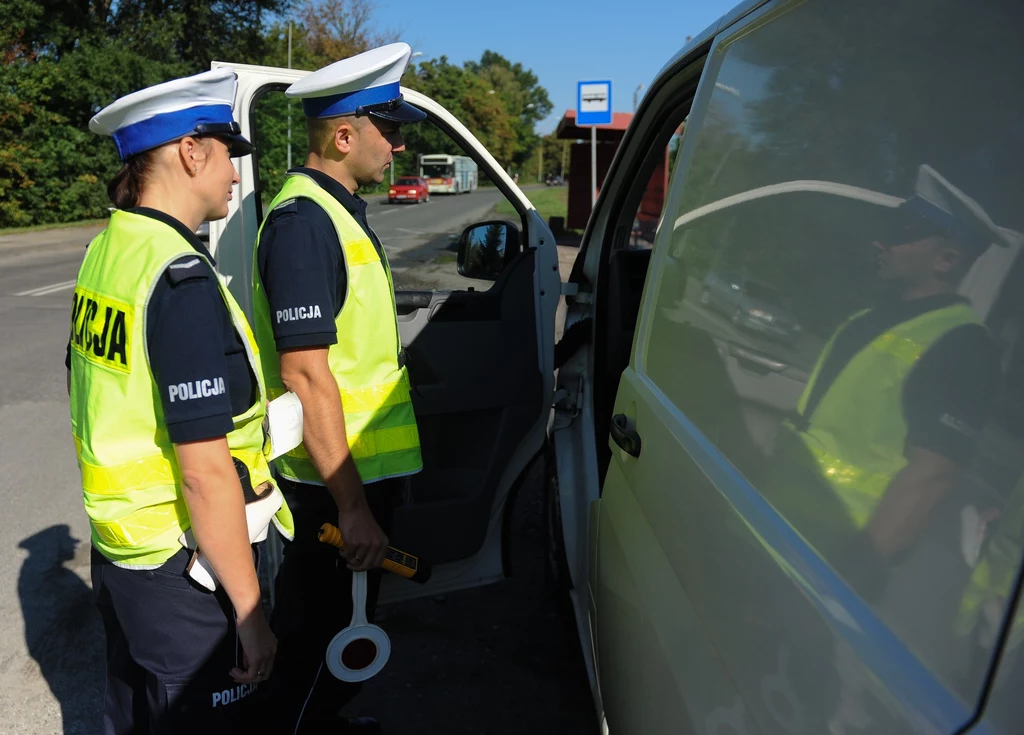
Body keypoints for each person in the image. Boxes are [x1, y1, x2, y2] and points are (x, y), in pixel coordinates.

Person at [67, 69, 293, 733]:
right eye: (227, 154)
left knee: (132, 712)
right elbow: (202, 467)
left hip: (122, 555)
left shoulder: (109, 248)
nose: (233, 174)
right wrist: (251, 613)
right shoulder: (180, 275)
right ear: (191, 151)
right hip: (182, 568)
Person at [251, 43, 426, 734]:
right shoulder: (304, 222)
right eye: (391, 128)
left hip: (357, 472)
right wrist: (352, 507)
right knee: (315, 648)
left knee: (340, 640)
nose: (400, 143)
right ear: (344, 134)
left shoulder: (340, 211)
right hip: (332, 483)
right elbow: (304, 371)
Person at [763, 164, 1009, 593]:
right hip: (774, 529)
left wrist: (848, 582)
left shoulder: (965, 346)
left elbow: (930, 478)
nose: (881, 241)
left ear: (947, 258)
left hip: (821, 565)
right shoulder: (870, 319)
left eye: (902, 230)